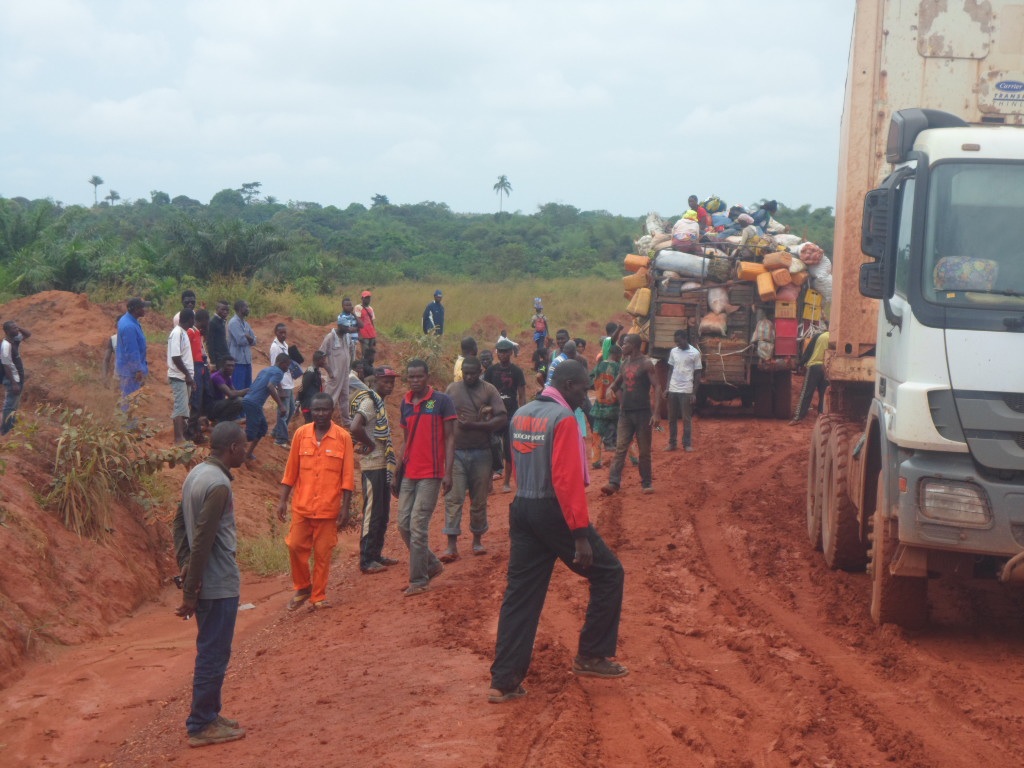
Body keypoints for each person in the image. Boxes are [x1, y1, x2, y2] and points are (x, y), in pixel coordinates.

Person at [488, 359, 627, 704]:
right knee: (609, 573)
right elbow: (566, 481)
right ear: (567, 385)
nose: (587, 394)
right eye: (583, 387)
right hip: (554, 511)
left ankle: (504, 680)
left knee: (520, 595)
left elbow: (516, 460)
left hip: (523, 508)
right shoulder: (563, 419)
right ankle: (592, 655)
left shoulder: (522, 413)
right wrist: (579, 533)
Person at [172, 420, 248, 747]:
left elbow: (178, 525)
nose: (246, 450)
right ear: (232, 448)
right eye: (243, 445)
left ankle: (210, 714)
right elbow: (202, 538)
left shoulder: (196, 474)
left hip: (207, 580)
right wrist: (190, 589)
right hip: (217, 585)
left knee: (212, 651)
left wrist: (185, 565)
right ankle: (201, 723)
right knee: (213, 655)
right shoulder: (219, 485)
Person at [277, 393, 354, 611]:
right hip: (302, 506)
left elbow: (347, 476)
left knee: (323, 553)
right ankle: (303, 587)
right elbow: (290, 471)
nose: (320, 414)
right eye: (316, 410)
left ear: (332, 411)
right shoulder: (301, 435)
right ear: (310, 410)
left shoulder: (343, 438)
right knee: (294, 545)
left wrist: (345, 508)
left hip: (328, 510)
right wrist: (282, 501)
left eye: (325, 410)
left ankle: (318, 596)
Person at [393, 359, 456, 597]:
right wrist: (397, 471)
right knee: (402, 524)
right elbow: (405, 440)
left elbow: (450, 438)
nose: (415, 381)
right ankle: (430, 564)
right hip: (410, 472)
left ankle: (418, 580)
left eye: (419, 376)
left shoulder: (442, 402)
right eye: (411, 377)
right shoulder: (406, 403)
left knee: (418, 526)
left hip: (431, 473)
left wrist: (448, 472)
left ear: (427, 377)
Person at [441, 357, 507, 562]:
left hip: (482, 452)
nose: (469, 377)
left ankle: (477, 540)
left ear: (480, 371)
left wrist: (476, 425)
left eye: (473, 373)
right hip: (457, 453)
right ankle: (451, 545)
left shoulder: (489, 390)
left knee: (479, 499)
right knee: (454, 497)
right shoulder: (452, 389)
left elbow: (502, 417)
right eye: (466, 373)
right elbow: (441, 417)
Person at [349, 365, 399, 574]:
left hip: (380, 464)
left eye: (392, 382)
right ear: (376, 381)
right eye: (385, 382)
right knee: (372, 512)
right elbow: (355, 427)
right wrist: (369, 445)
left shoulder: (378, 402)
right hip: (372, 465)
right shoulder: (370, 403)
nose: (389, 385)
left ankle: (376, 554)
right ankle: (366, 559)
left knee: (382, 511)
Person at [602, 334, 661, 495]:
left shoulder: (646, 363)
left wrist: (656, 414)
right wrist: (610, 389)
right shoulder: (624, 363)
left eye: (625, 343)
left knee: (644, 451)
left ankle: (646, 482)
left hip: (643, 414)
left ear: (634, 346)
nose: (623, 346)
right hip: (625, 414)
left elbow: (657, 387)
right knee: (620, 448)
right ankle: (613, 483)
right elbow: (617, 382)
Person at [484, 338, 527, 493]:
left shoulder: (516, 371)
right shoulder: (490, 371)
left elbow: (521, 394)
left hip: (512, 415)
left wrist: (523, 413)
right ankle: (488, 483)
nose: (502, 354)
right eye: (499, 351)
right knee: (490, 448)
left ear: (510, 353)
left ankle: (506, 482)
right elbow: (484, 393)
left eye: (505, 351)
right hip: (494, 415)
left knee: (509, 450)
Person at [241, 354, 290, 461]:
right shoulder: (279, 372)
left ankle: (248, 454)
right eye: (287, 365)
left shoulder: (266, 370)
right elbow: (270, 386)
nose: (288, 368)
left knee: (262, 428)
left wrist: (280, 390)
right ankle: (229, 443)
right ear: (282, 364)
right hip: (254, 403)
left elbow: (262, 384)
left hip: (249, 400)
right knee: (250, 435)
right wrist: (281, 405)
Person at [665, 329, 702, 452]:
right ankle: (672, 443)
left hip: (686, 390)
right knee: (672, 418)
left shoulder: (695, 353)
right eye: (676, 342)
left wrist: (694, 393)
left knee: (686, 418)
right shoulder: (673, 352)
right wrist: (667, 388)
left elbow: (697, 374)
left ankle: (687, 444)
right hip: (673, 389)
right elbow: (670, 370)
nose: (677, 344)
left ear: (685, 339)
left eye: (679, 341)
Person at [589, 343, 622, 469]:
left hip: (599, 407)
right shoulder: (619, 367)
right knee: (625, 433)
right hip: (615, 407)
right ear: (618, 355)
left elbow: (590, 381)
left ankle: (595, 461)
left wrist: (599, 387)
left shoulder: (599, 366)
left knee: (597, 435)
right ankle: (634, 459)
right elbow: (621, 387)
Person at [790, 327, 830, 425]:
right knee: (823, 394)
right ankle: (821, 418)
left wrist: (799, 364)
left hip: (814, 367)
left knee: (806, 393)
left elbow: (807, 354)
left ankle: (798, 417)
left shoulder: (818, 336)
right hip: (826, 369)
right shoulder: (835, 338)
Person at [168, 309, 196, 445]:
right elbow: (176, 357)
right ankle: (178, 439)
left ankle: (181, 436)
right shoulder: (177, 333)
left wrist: (190, 376)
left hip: (184, 376)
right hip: (179, 376)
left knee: (184, 407)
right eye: (193, 319)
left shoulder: (183, 333)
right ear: (190, 319)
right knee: (180, 407)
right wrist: (187, 374)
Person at [116, 297, 150, 409]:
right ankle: (128, 426)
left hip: (128, 369)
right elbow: (131, 351)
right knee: (129, 402)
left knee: (130, 400)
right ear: (136, 309)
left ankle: (129, 424)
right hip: (130, 372)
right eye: (142, 307)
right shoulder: (129, 326)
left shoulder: (128, 321)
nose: (145, 309)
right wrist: (137, 370)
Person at [319, 315, 352, 427]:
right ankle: (324, 421)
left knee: (345, 398)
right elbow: (320, 356)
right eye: (346, 327)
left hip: (345, 374)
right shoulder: (330, 338)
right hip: (335, 376)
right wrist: (329, 371)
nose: (348, 329)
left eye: (349, 327)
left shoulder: (347, 337)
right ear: (339, 325)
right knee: (330, 399)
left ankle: (346, 422)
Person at [269, 323, 296, 449]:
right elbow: (275, 368)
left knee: (291, 410)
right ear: (275, 332)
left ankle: (276, 432)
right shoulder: (275, 348)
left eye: (285, 332)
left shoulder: (284, 345)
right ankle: (280, 439)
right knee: (284, 412)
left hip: (289, 382)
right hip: (282, 384)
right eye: (281, 333)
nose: (283, 335)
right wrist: (279, 388)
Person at [1, 320, 29, 435]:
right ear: (7, 331)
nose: (16, 330)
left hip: (18, 378)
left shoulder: (14, 340)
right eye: (13, 328)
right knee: (9, 405)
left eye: (16, 327)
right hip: (13, 379)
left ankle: (10, 423)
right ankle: (6, 429)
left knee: (14, 404)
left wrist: (18, 328)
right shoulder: (6, 345)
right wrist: (13, 383)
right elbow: (6, 365)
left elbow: (28, 334)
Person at [189, 309, 211, 444]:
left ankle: (196, 430)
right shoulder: (190, 332)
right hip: (194, 367)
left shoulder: (197, 333)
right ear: (203, 320)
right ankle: (191, 432)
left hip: (200, 367)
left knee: (200, 400)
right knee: (195, 402)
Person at [227, 300, 257, 390]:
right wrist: (249, 339)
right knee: (238, 389)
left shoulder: (246, 323)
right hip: (237, 362)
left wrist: (249, 338)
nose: (248, 309)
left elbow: (254, 341)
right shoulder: (233, 322)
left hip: (247, 361)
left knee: (247, 389)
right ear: (240, 309)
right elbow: (240, 340)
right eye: (246, 307)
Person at [208, 357, 246, 423]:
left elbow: (234, 392)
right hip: (210, 407)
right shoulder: (216, 376)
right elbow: (231, 394)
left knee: (242, 400)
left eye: (233, 366)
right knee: (240, 401)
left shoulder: (227, 377)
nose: (231, 368)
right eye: (228, 365)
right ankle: (222, 421)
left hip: (218, 405)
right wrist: (247, 391)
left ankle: (223, 420)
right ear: (222, 366)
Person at [298, 350, 327, 424]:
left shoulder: (316, 371)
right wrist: (298, 403)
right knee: (309, 426)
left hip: (313, 404)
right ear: (319, 360)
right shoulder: (310, 372)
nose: (325, 362)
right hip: (308, 405)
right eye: (323, 360)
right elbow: (302, 389)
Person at [354, 290, 377, 365]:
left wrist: (375, 335)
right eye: (366, 298)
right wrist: (359, 334)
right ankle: (365, 368)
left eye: (369, 298)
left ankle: (369, 367)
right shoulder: (358, 307)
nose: (367, 300)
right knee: (365, 353)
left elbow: (372, 322)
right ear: (362, 298)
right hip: (364, 334)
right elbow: (357, 321)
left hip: (371, 334)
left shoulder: (370, 308)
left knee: (371, 353)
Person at [207, 300, 231, 372]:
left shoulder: (223, 321)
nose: (225, 312)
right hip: (218, 359)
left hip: (224, 358)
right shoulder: (213, 322)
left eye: (227, 310)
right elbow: (210, 343)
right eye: (223, 309)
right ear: (217, 309)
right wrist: (213, 362)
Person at [101, 317, 118, 387]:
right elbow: (106, 360)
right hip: (118, 378)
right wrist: (104, 377)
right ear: (116, 326)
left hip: (132, 378)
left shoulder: (134, 339)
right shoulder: (113, 339)